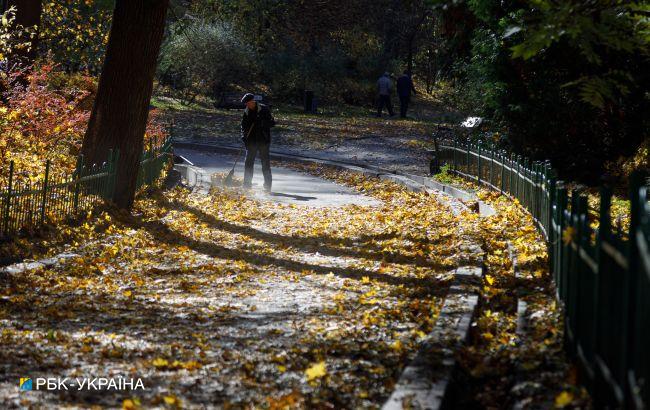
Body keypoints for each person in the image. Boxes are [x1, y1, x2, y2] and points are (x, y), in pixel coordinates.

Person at [240, 93, 275, 191]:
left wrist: (261, 122)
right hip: (251, 141)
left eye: (248, 103)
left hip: (263, 141)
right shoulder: (246, 112)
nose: (247, 105)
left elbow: (272, 123)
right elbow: (243, 126)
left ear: (253, 101)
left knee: (265, 164)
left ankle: (268, 186)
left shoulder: (264, 109)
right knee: (248, 163)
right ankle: (247, 185)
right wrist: (243, 136)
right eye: (246, 104)